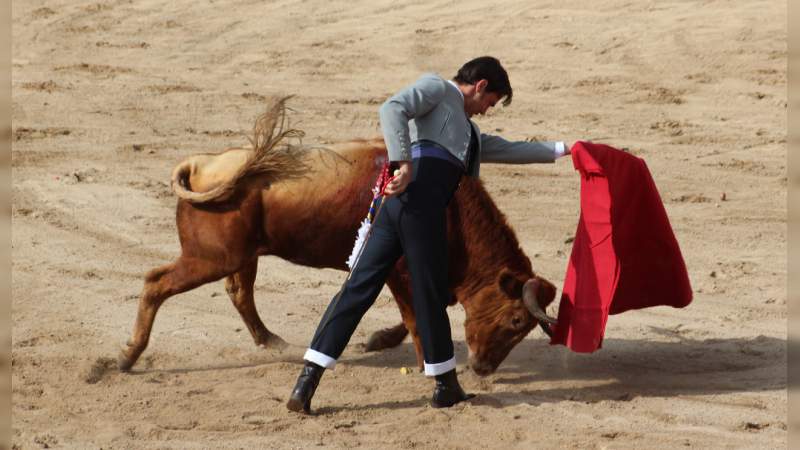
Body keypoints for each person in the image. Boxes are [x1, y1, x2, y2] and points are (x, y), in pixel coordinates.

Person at [287, 56, 572, 414]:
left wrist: (568, 149)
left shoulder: (467, 133)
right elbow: (393, 108)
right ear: (481, 85)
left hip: (400, 207)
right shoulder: (438, 88)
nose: (487, 111)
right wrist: (402, 162)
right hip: (418, 201)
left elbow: (508, 149)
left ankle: (306, 381)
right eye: (490, 102)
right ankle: (445, 386)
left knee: (359, 289)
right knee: (429, 294)